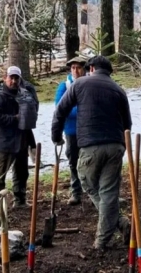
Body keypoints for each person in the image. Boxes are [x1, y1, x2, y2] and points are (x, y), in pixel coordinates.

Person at [51, 56, 132, 250]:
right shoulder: (118, 90)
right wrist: (122, 147)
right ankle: (108, 234)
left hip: (91, 145)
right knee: (109, 192)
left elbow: (60, 111)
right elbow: (127, 123)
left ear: (92, 68)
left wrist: (56, 136)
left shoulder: (80, 84)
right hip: (115, 146)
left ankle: (115, 225)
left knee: (86, 182)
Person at [0, 66, 38, 211]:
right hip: (5, 141)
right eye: (11, 77)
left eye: (17, 78)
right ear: (5, 78)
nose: (14, 81)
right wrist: (14, 119)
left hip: (22, 139)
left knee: (21, 172)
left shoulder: (24, 94)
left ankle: (20, 200)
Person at [54, 56, 87, 205]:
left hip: (88, 130)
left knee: (89, 161)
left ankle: (90, 189)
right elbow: (60, 108)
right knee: (73, 161)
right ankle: (76, 191)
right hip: (71, 131)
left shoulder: (89, 84)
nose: (76, 71)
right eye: (73, 68)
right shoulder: (65, 86)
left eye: (78, 67)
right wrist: (82, 110)